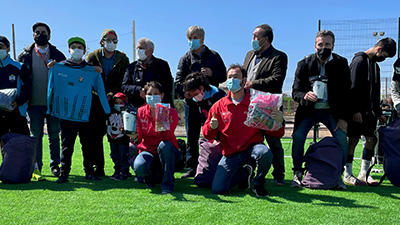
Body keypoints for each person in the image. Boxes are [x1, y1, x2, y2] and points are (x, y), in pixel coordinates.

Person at [202, 64, 284, 197]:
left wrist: (279, 122)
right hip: (230, 153)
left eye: (236, 77)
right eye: (229, 77)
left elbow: (275, 133)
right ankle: (245, 174)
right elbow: (207, 135)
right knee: (219, 189)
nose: (232, 80)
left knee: (265, 153)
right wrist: (212, 127)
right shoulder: (219, 106)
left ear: (244, 81)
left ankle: (259, 183)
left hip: (252, 149)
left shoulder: (256, 103)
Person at [291, 30, 351, 189]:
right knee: (297, 137)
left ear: (333, 46)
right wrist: (305, 96)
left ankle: (338, 175)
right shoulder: (304, 64)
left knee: (341, 138)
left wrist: (343, 118)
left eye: (327, 45)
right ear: (315, 45)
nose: (323, 48)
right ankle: (297, 173)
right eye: (320, 45)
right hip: (308, 112)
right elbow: (295, 92)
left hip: (332, 112)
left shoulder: (341, 63)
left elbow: (346, 93)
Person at [46, 37, 110, 183]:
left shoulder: (91, 70)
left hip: (84, 113)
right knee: (67, 145)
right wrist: (49, 107)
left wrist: (106, 109)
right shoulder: (59, 67)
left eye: (80, 47)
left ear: (84, 50)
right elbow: (50, 88)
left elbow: (100, 89)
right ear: (69, 50)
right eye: (73, 46)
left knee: (87, 144)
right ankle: (64, 173)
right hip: (66, 114)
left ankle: (89, 171)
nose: (76, 49)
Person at [175, 25, 227, 178]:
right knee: (191, 134)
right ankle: (191, 166)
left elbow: (224, 76)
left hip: (211, 104)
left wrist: (212, 73)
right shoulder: (185, 59)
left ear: (202, 39)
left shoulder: (214, 56)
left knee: (213, 132)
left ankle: (214, 163)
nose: (192, 41)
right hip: (191, 104)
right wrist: (188, 93)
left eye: (195, 38)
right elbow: (178, 82)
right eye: (190, 39)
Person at [345, 38, 397, 185]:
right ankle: (347, 173)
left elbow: (374, 93)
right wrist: (355, 110)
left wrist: (378, 112)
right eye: (384, 56)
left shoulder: (375, 66)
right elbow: (352, 88)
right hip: (356, 112)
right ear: (379, 50)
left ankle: (364, 173)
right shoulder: (359, 61)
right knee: (353, 140)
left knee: (371, 139)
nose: (383, 59)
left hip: (369, 113)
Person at [17, 22, 66, 179]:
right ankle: (36, 166)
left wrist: (58, 67)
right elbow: (21, 80)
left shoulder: (58, 55)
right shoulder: (24, 55)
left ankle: (55, 166)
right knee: (35, 136)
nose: (40, 34)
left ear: (49, 36)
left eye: (43, 32)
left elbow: (66, 73)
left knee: (54, 135)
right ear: (33, 35)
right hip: (34, 103)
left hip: (53, 103)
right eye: (37, 32)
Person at [243, 24, 288, 186]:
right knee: (249, 139)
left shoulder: (279, 57)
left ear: (266, 39)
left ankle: (279, 175)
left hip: (269, 105)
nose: (253, 39)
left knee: (273, 141)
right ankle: (248, 171)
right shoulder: (249, 55)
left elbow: (276, 80)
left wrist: (252, 83)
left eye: (256, 36)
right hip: (250, 104)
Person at [86, 29, 130, 177]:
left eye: (114, 40)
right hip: (96, 101)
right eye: (108, 39)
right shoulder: (92, 57)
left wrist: (111, 95)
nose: (111, 43)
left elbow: (124, 81)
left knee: (118, 135)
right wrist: (99, 94)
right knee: (96, 136)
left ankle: (121, 168)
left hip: (116, 102)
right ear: (101, 41)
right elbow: (86, 76)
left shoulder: (123, 59)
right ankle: (99, 168)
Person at [133, 81, 180, 194]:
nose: (152, 97)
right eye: (150, 94)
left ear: (162, 95)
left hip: (167, 151)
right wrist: (132, 135)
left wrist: (163, 124)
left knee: (164, 145)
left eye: (156, 94)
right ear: (145, 96)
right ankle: (150, 177)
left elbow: (167, 137)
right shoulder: (140, 111)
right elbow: (139, 137)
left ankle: (168, 184)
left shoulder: (171, 112)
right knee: (139, 166)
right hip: (148, 150)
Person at [122, 37, 174, 108]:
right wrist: (138, 90)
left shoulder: (162, 65)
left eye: (141, 48)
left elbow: (168, 86)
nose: (138, 51)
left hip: (160, 108)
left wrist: (153, 92)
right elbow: (124, 86)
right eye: (137, 48)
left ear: (150, 51)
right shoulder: (131, 67)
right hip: (137, 107)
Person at [0, 35, 31, 139]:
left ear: (8, 49)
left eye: (1, 47)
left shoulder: (20, 67)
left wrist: (18, 102)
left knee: (19, 149)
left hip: (16, 114)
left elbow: (27, 89)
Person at [106, 92, 131, 180]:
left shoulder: (127, 113)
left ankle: (124, 172)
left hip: (123, 139)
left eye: (121, 103)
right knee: (114, 155)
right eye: (116, 103)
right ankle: (117, 171)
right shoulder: (109, 112)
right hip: (112, 139)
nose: (118, 105)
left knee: (123, 156)